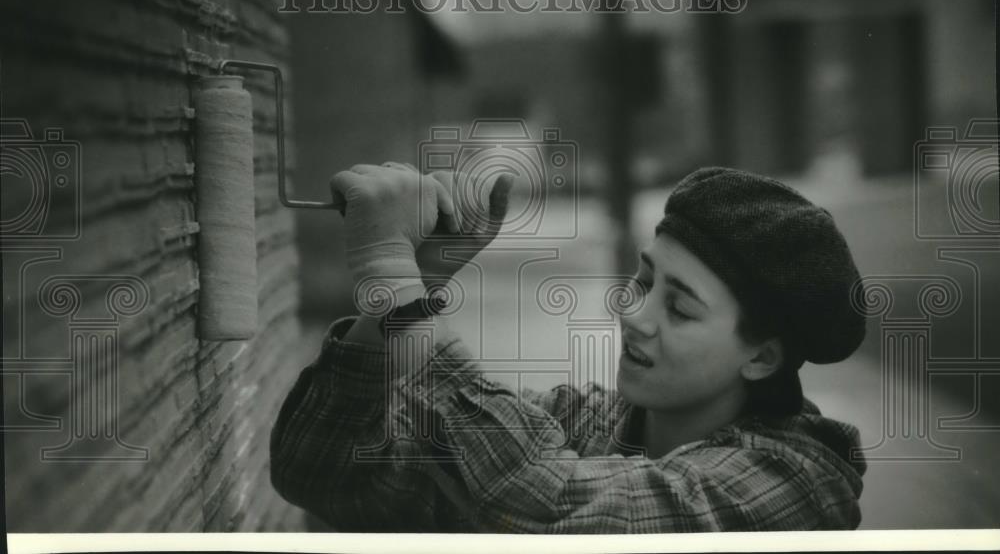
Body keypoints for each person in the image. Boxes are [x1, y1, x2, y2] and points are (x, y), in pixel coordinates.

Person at [269, 163, 869, 532]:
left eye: (680, 308)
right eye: (642, 281)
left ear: (761, 356)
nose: (633, 315)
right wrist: (414, 289)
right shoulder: (582, 420)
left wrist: (394, 284)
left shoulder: (793, 485)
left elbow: (556, 508)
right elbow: (325, 476)